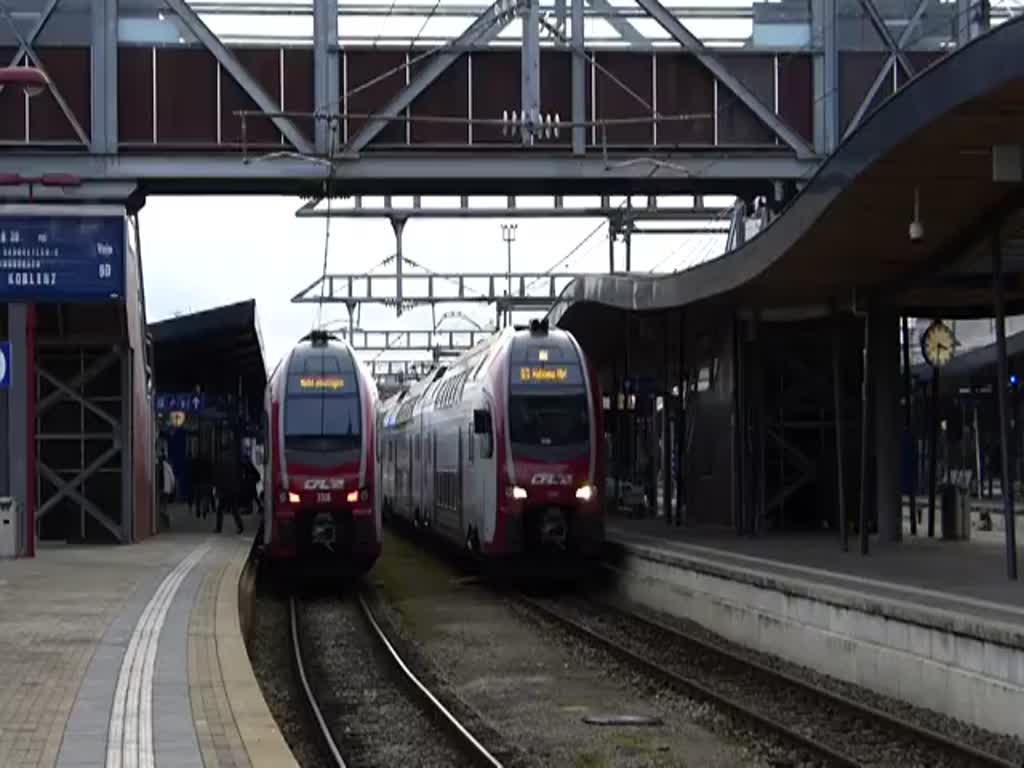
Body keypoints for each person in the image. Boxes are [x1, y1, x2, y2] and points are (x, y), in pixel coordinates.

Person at [214, 454, 244, 535]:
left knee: (220, 510)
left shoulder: (221, 468)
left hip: (225, 491)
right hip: (232, 490)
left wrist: (218, 491)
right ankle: (240, 526)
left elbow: (219, 479)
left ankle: (218, 528)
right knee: (234, 509)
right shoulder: (233, 466)